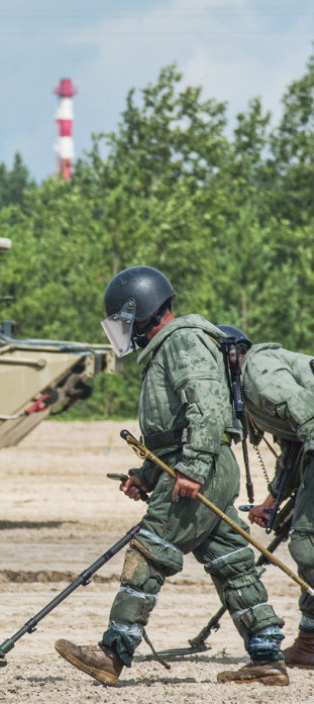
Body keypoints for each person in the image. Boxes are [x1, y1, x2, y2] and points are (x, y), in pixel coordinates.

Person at [55, 266, 289, 687]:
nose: (126, 331)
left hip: (202, 466)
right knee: (232, 562)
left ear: (142, 310)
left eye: (127, 321)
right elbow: (171, 431)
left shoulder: (183, 341)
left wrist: (194, 469)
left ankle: (112, 653)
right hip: (199, 464)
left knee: (149, 551)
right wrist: (146, 474)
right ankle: (267, 655)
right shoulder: (170, 346)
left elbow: (207, 410)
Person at [216, 324, 314, 669]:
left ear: (230, 357)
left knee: (307, 543)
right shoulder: (252, 378)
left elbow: (308, 413)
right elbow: (296, 442)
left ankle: (311, 644)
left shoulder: (257, 370)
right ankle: (310, 641)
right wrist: (274, 499)